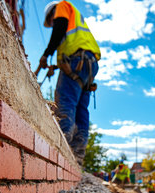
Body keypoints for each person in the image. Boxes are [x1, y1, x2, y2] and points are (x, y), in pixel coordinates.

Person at [40, 1, 100, 166]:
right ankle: (76, 157)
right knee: (81, 109)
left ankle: (62, 153)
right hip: (89, 63)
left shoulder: (62, 6)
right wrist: (55, 65)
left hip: (76, 60)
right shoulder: (76, 25)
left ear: (52, 14)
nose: (52, 25)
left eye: (51, 21)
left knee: (65, 102)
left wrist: (46, 54)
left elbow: (59, 27)